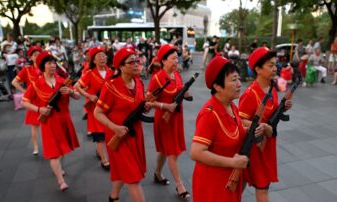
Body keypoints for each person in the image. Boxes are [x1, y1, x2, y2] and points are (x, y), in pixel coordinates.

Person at [94, 47, 150, 202]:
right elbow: (97, 113)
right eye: (131, 62)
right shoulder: (110, 86)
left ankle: (113, 196)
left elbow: (137, 104)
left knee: (126, 170)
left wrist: (144, 107)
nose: (136, 64)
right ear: (120, 66)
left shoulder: (139, 83)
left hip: (135, 134)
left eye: (137, 60)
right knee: (133, 178)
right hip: (118, 135)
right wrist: (115, 128)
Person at [190, 56, 249, 202]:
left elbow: (234, 131)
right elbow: (196, 152)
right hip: (213, 184)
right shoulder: (209, 113)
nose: (239, 84)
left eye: (239, 79)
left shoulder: (231, 106)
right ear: (217, 86)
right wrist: (233, 163)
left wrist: (252, 131)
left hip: (230, 180)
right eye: (234, 80)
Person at [238, 47, 292, 202]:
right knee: (262, 188)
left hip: (267, 144)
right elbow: (239, 120)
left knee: (242, 184)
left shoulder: (271, 87)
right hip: (254, 148)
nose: (275, 68)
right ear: (257, 69)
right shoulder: (250, 94)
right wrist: (260, 127)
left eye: (275, 64)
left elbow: (272, 113)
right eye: (270, 65)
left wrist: (283, 107)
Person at [21, 51, 80, 191]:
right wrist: (39, 109)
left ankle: (58, 168)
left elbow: (77, 96)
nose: (53, 66)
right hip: (49, 122)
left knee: (62, 150)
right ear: (43, 66)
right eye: (49, 63)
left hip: (65, 119)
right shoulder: (36, 84)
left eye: (54, 63)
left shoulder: (62, 80)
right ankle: (61, 181)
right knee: (54, 152)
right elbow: (25, 102)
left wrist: (71, 92)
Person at [146, 44, 191, 199]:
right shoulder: (157, 78)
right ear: (163, 61)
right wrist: (165, 106)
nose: (176, 61)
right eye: (172, 59)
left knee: (166, 151)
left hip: (176, 118)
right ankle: (180, 186)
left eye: (177, 58)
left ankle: (157, 173)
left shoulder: (176, 74)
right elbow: (148, 102)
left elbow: (179, 90)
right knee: (172, 153)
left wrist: (185, 94)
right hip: (164, 120)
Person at [75, 47, 114, 170]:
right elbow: (77, 86)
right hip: (95, 109)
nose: (102, 58)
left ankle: (102, 153)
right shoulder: (89, 73)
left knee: (109, 134)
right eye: (99, 56)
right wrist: (88, 96)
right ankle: (104, 160)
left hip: (109, 109)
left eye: (104, 55)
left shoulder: (112, 72)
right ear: (94, 60)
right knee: (100, 136)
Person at [12, 46, 42, 155]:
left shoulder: (46, 68)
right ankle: (35, 147)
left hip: (46, 100)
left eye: (39, 54)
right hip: (33, 102)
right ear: (31, 57)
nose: (37, 56)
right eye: (35, 55)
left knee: (49, 124)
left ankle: (51, 145)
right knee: (34, 126)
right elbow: (14, 82)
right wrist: (25, 91)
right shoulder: (27, 69)